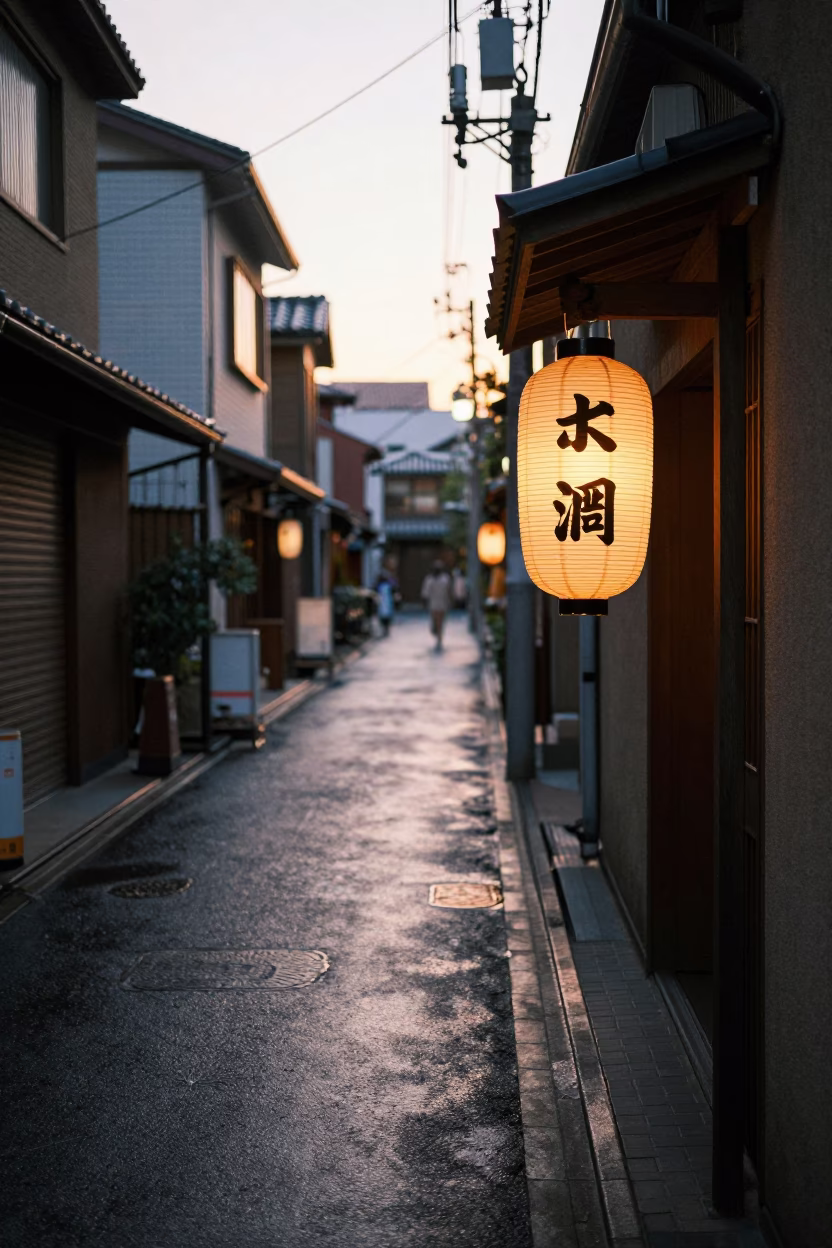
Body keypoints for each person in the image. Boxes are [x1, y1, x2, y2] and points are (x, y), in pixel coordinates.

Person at [421, 560, 453, 650]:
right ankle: (436, 633)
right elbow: (425, 592)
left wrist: (450, 601)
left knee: (440, 622)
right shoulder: (429, 579)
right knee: (435, 621)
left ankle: (439, 638)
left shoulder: (445, 579)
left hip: (443, 603)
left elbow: (449, 591)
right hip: (433, 604)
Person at [375, 571, 395, 638]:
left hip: (384, 603)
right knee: (386, 617)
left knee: (384, 617)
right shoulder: (388, 586)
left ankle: (385, 630)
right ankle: (385, 630)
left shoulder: (381, 586)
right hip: (386, 603)